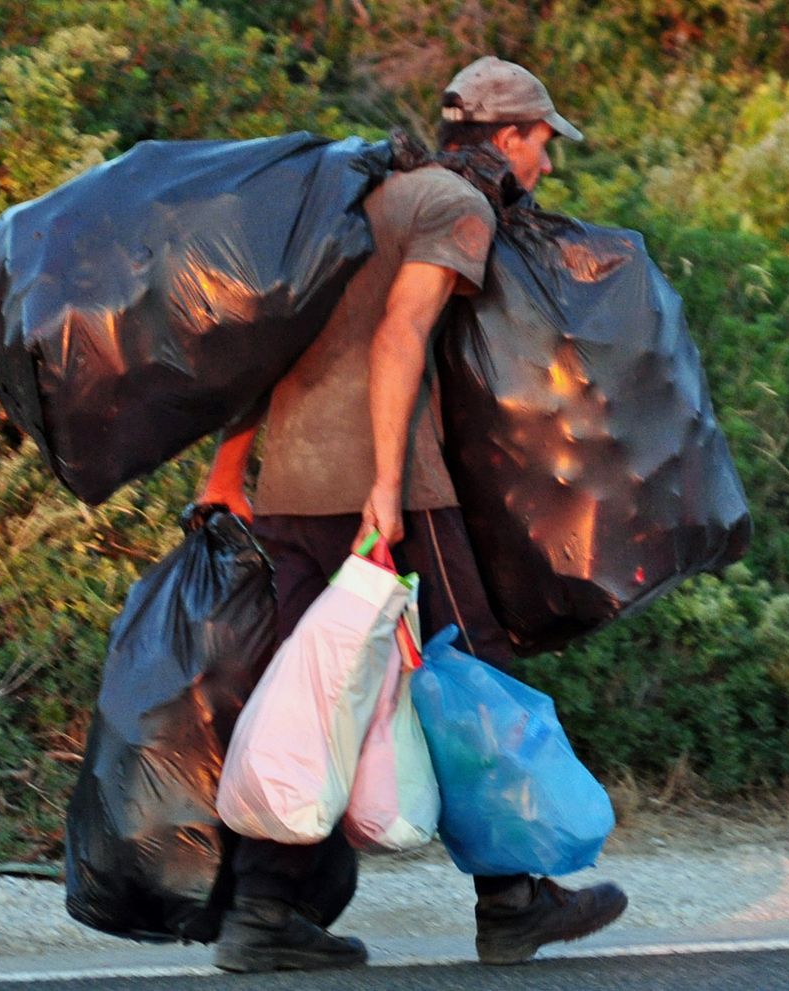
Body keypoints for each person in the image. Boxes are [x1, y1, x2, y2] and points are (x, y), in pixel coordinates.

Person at [200, 56, 628, 973]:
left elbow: (274, 337)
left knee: (310, 694)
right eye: (543, 143)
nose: (546, 165)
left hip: (291, 488)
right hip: (387, 487)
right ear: (507, 137)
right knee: (471, 667)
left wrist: (227, 469)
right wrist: (390, 485)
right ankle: (513, 901)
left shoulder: (362, 197)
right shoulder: (454, 205)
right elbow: (401, 332)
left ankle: (263, 913)